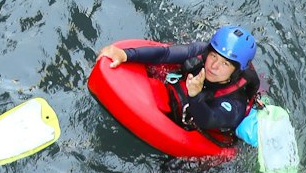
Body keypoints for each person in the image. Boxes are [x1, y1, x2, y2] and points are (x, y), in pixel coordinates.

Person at [95, 25, 260, 135]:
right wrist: (126, 55)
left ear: (236, 70)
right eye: (214, 56)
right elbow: (165, 54)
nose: (214, 66)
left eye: (225, 63)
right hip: (176, 101)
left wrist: (195, 95)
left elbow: (209, 120)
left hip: (202, 132)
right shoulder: (202, 52)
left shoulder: (235, 103)